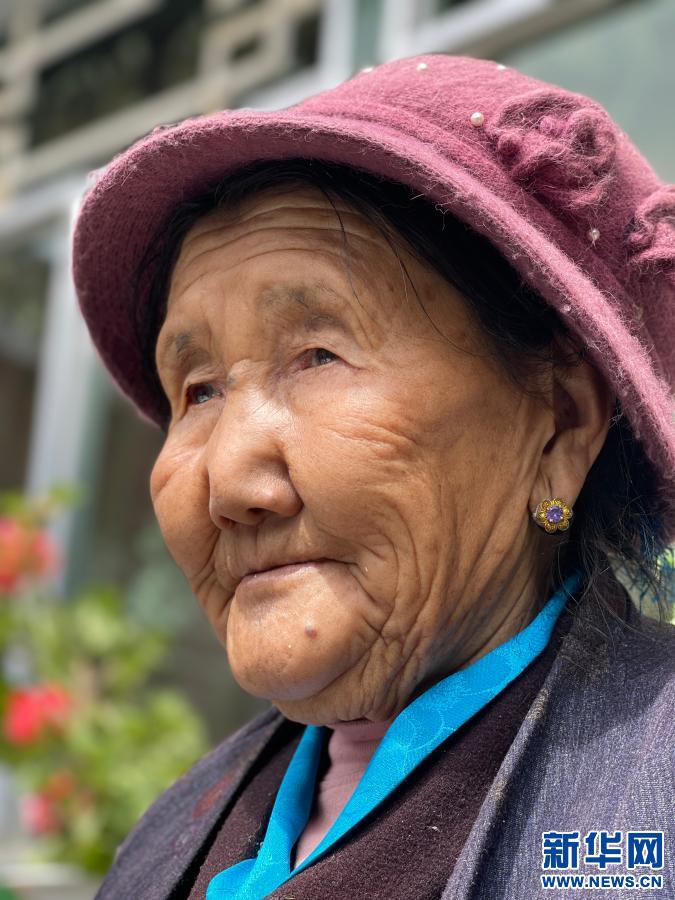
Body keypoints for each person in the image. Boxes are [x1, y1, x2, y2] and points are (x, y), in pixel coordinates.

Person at [71, 54, 674, 899]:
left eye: (317, 355)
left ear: (561, 423)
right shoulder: (169, 836)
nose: (227, 480)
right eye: (198, 390)